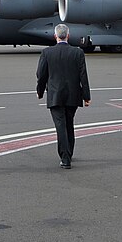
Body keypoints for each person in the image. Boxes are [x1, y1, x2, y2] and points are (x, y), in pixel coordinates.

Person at [36, 23, 91, 169]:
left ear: (55, 36)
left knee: (60, 126)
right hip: (73, 94)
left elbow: (41, 75)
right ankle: (69, 152)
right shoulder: (77, 52)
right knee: (69, 124)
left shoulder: (47, 53)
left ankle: (65, 158)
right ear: (68, 35)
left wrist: (40, 91)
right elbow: (83, 76)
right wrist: (86, 96)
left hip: (55, 94)